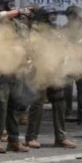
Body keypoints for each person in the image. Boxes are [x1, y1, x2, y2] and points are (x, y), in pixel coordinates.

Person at [24, 8, 77, 149]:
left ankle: (61, 137)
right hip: (39, 72)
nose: (53, 18)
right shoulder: (35, 32)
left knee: (59, 101)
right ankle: (31, 137)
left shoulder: (55, 31)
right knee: (37, 104)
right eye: (50, 16)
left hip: (54, 71)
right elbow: (33, 51)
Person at [0, 0, 31, 154]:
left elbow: (26, 43)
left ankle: (14, 140)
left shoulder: (19, 25)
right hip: (0, 70)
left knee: (14, 107)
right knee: (0, 106)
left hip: (16, 70)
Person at [62, 5, 82, 123]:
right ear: (71, 17)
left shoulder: (81, 30)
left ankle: (81, 113)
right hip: (69, 62)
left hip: (80, 63)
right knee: (68, 88)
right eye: (77, 16)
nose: (81, 19)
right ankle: (68, 112)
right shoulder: (64, 30)